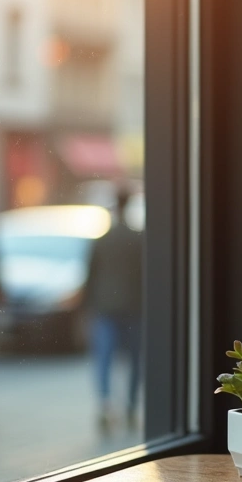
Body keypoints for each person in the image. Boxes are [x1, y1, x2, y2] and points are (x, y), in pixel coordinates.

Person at [81, 184, 143, 430]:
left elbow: (90, 276)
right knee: (134, 360)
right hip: (134, 307)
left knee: (104, 359)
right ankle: (131, 405)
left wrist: (87, 309)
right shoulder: (138, 239)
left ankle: (105, 404)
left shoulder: (102, 240)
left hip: (105, 307)